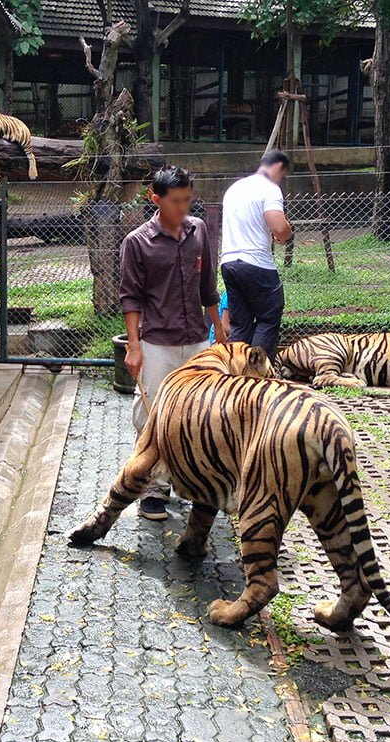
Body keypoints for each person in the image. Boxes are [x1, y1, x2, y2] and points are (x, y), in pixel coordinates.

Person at [120, 165, 226, 521]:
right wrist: (134, 347)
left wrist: (220, 334)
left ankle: (193, 482)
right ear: (156, 199)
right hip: (157, 343)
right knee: (150, 416)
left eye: (187, 200)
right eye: (176, 201)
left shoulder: (198, 231)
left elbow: (208, 286)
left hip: (196, 340)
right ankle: (153, 488)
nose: (183, 207)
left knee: (198, 415)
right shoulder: (137, 242)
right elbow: (131, 298)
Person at [220, 150, 293, 357]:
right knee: (268, 318)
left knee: (240, 323)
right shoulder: (269, 188)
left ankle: (237, 376)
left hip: (229, 262)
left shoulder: (235, 188)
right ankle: (258, 374)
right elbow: (278, 226)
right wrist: (287, 232)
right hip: (257, 263)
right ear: (278, 167)